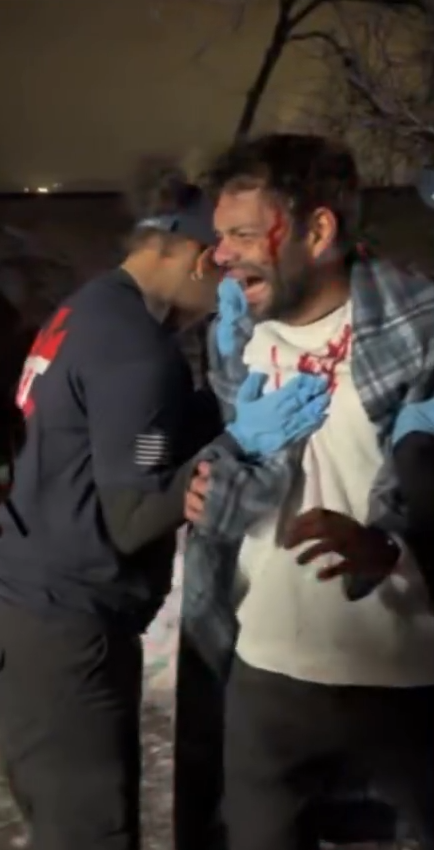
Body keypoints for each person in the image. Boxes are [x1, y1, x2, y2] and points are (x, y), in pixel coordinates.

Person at [0, 161, 329, 850]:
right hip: (59, 631)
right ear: (197, 258)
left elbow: (124, 438)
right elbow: (132, 520)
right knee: (93, 836)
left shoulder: (91, 307)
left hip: (17, 612)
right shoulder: (138, 351)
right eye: (226, 270)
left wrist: (214, 406)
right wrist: (237, 442)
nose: (230, 290)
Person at [182, 133, 434, 850]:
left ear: (318, 231)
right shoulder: (237, 334)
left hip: (405, 670)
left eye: (241, 235)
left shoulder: (420, 327)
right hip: (267, 669)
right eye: (219, 236)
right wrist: (219, 471)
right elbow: (235, 476)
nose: (221, 255)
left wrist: (392, 545)